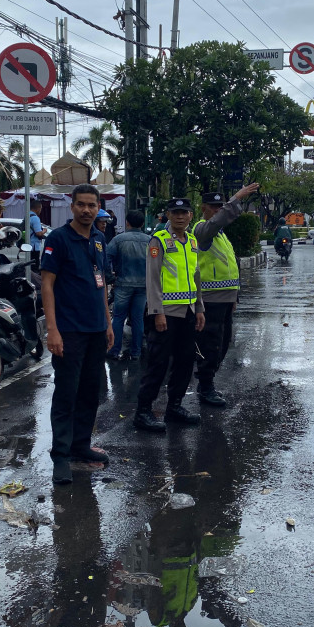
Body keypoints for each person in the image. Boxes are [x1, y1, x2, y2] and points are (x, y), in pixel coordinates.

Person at [40, 183, 114, 484]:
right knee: (66, 393)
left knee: (90, 391)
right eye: (81, 204)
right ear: (72, 206)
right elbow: (47, 286)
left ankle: (81, 445)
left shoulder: (99, 239)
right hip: (69, 331)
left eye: (91, 205)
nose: (86, 210)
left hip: (96, 329)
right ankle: (60, 456)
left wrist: (108, 324)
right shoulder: (58, 239)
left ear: (98, 208)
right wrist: (52, 330)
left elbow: (102, 286)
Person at [135, 197, 206, 431]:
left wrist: (199, 308)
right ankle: (143, 411)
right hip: (165, 313)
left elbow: (195, 277)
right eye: (175, 212)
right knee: (158, 363)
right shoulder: (160, 240)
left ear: (191, 216)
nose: (180, 216)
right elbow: (152, 278)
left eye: (184, 212)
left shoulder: (192, 241)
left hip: (187, 311)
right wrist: (157, 311)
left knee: (185, 362)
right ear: (168, 214)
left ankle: (174, 407)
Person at [193, 183, 260, 408]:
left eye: (220, 206)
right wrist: (236, 198)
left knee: (222, 344)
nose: (217, 210)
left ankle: (206, 382)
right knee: (211, 345)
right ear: (203, 209)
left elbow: (231, 267)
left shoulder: (221, 236)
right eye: (213, 207)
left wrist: (235, 298)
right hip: (210, 300)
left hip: (225, 299)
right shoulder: (203, 231)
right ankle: (206, 385)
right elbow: (218, 221)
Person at [106, 210, 151, 361]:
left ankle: (114, 350)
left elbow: (106, 258)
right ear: (143, 223)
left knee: (118, 318)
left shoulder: (118, 239)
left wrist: (110, 277)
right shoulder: (150, 240)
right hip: (143, 285)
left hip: (123, 284)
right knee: (138, 319)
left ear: (127, 222)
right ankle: (136, 352)